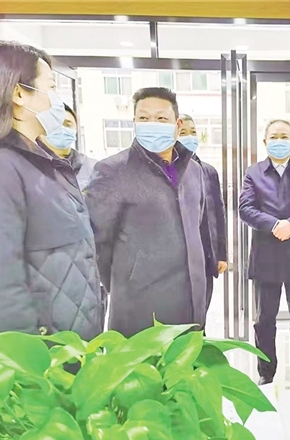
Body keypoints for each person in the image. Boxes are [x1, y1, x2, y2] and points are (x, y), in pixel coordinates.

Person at [0, 41, 103, 339]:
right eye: (51, 86)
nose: (56, 98)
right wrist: (31, 363)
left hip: (71, 345)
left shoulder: (43, 162)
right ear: (19, 94)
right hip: (44, 354)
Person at [84, 87, 208, 337]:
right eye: (144, 118)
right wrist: (127, 281)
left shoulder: (194, 170)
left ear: (177, 124)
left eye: (161, 118)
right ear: (134, 123)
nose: (152, 124)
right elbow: (97, 244)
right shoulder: (112, 171)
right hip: (139, 309)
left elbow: (197, 226)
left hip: (191, 307)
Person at [239, 119, 290, 389]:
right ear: (265, 142)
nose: (279, 141)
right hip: (266, 257)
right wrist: (274, 225)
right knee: (264, 320)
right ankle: (266, 372)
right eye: (273, 136)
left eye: (284, 136)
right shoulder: (254, 173)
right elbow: (245, 208)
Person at [178, 114, 228, 326]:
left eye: (193, 132)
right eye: (183, 133)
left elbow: (218, 213)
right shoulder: (167, 171)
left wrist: (221, 254)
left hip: (205, 256)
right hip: (178, 259)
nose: (189, 137)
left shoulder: (208, 171)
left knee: (200, 316)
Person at [37, 103, 97, 190]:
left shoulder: (93, 168)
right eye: (55, 124)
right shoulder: (27, 166)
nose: (62, 129)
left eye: (68, 125)